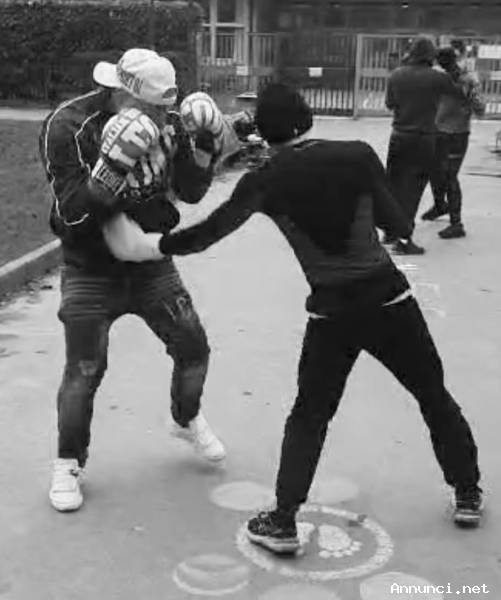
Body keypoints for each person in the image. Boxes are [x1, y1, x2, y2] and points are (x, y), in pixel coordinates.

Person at [107, 82, 484, 553]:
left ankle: (283, 521)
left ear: (263, 132)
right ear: (306, 117)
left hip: (331, 312)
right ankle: (467, 493)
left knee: (309, 415)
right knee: (433, 395)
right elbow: (400, 225)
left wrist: (151, 246)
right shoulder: (357, 154)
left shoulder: (264, 179)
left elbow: (207, 234)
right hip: (389, 300)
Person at [39, 48, 228, 513]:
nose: (163, 119)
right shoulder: (69, 126)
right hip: (90, 268)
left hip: (148, 264)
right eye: (154, 110)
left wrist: (207, 145)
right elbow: (71, 218)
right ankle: (68, 462)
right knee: (85, 371)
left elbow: (190, 191)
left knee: (193, 348)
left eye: (167, 109)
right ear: (123, 94)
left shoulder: (168, 123)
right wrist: (110, 172)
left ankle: (184, 418)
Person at [385, 36, 467, 254]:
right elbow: (459, 94)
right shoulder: (437, 78)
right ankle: (404, 239)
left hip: (398, 136)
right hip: (423, 139)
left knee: (394, 185)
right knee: (413, 190)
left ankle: (389, 231)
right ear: (431, 56)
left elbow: (390, 104)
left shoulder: (396, 75)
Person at [425, 46, 485, 238]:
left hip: (457, 134)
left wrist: (467, 100)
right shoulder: (439, 78)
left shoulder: (467, 80)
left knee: (450, 176)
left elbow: (480, 108)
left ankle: (456, 223)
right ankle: (440, 205)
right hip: (438, 131)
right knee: (434, 171)